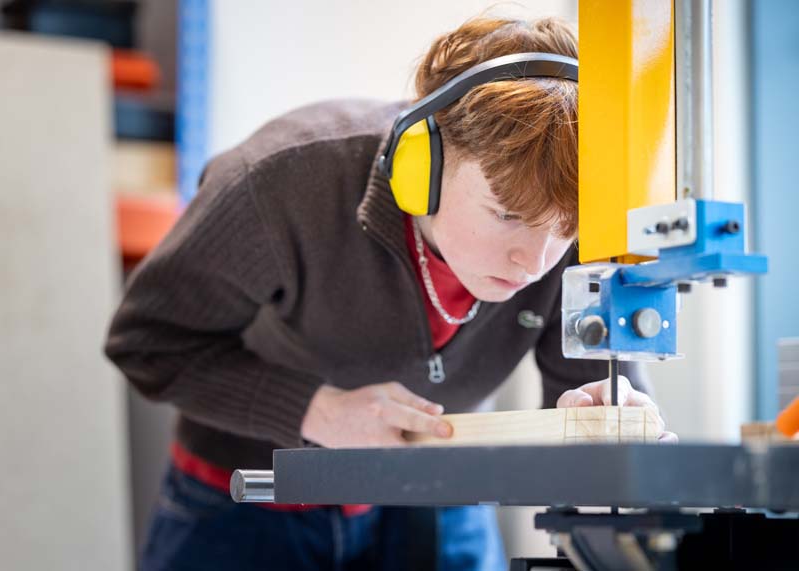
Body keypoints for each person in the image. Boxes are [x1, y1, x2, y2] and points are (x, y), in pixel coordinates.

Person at [105, 15, 674, 571]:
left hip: (436, 489)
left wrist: (605, 418)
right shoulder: (278, 182)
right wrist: (313, 409)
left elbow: (590, 385)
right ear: (420, 165)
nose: (537, 262)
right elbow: (147, 343)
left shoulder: (577, 216)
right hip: (253, 501)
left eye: (565, 229)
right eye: (507, 214)